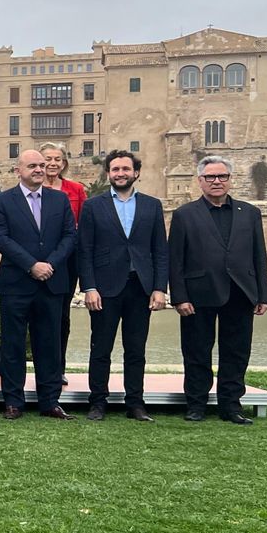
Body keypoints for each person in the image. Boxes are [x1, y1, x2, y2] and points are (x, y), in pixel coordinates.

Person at [169, 155, 267, 425]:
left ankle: (231, 406)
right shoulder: (184, 214)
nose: (217, 181)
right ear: (200, 181)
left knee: (236, 353)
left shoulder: (250, 213)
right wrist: (179, 296)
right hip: (198, 294)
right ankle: (196, 405)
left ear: (230, 180)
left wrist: (263, 294)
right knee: (196, 352)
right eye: (210, 177)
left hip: (241, 292)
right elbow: (175, 260)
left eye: (222, 176)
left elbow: (259, 255)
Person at [78, 149, 168, 422]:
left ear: (136, 173)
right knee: (100, 349)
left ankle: (136, 404)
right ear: (108, 174)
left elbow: (160, 250)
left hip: (141, 287)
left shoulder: (152, 206)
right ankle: (97, 402)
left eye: (126, 169)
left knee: (136, 349)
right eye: (115, 169)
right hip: (104, 288)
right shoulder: (93, 206)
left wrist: (160, 288)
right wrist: (89, 287)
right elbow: (85, 250)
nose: (120, 173)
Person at [0, 149, 76, 420]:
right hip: (16, 284)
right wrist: (31, 265)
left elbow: (70, 236)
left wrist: (49, 264)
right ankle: (14, 401)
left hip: (52, 282)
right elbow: (0, 238)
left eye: (42, 165)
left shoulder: (60, 199)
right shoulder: (3, 200)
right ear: (18, 170)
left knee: (49, 344)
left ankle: (49, 402)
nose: (39, 169)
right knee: (13, 345)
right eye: (32, 165)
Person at [41, 142, 87, 383]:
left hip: (68, 260)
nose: (52, 163)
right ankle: (40, 367)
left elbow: (84, 223)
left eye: (57, 159)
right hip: (38, 258)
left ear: (64, 163)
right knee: (36, 313)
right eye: (47, 159)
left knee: (62, 314)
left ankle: (58, 368)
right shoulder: (32, 189)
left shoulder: (76, 189)